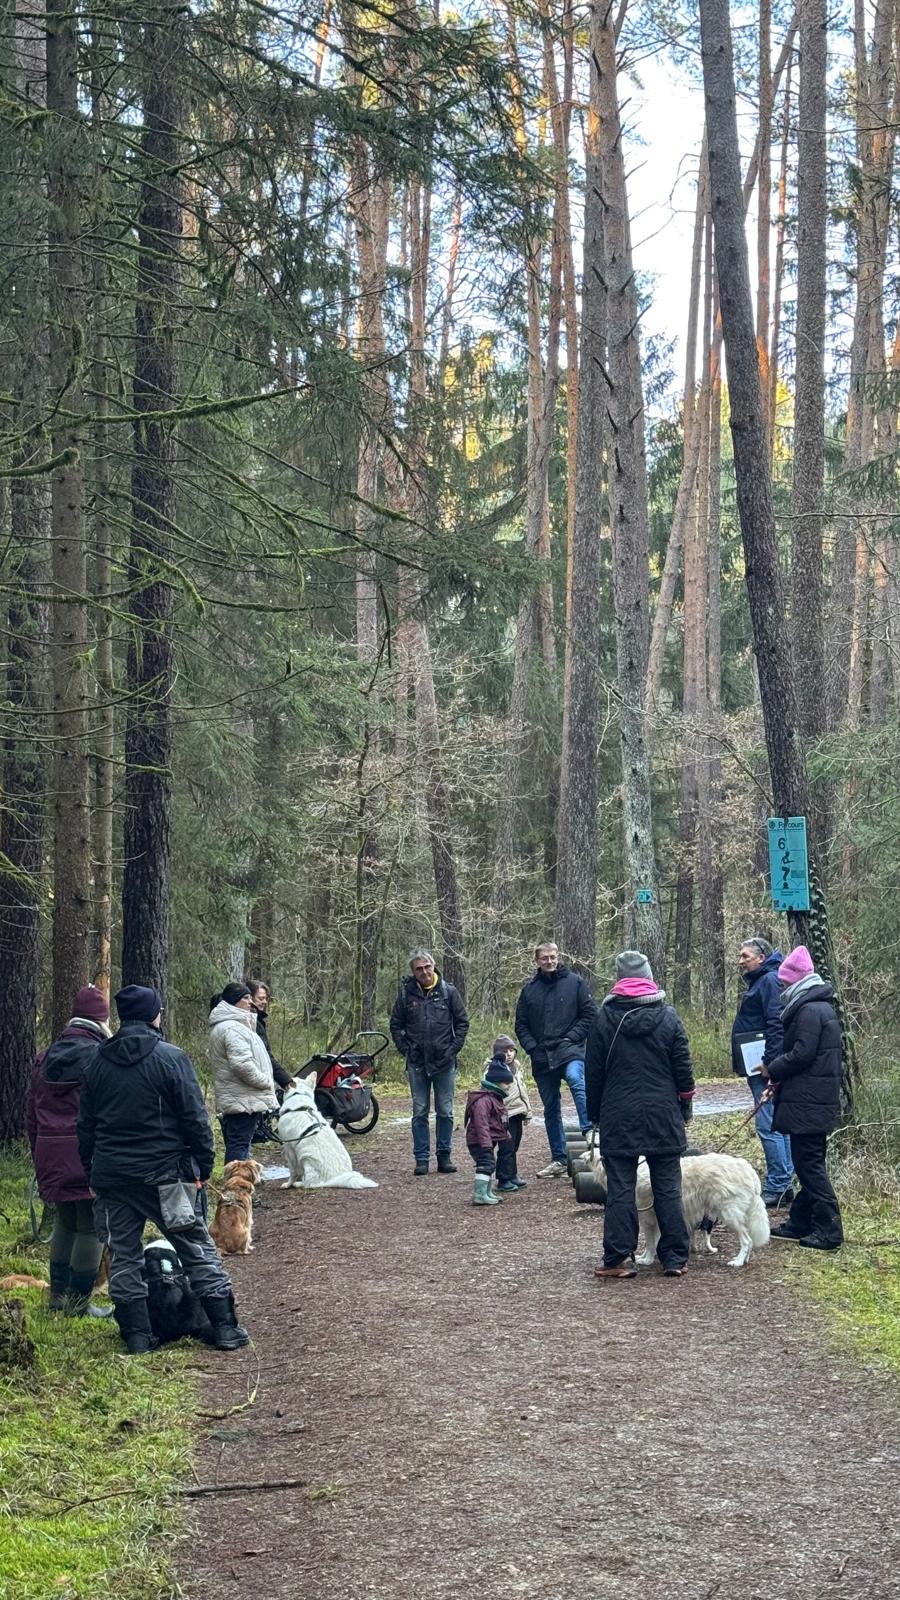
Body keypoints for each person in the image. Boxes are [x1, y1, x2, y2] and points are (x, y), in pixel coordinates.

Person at [78, 984, 250, 1354]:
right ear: (154, 1015)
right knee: (195, 1247)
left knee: (124, 1254)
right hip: (166, 1176)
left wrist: (92, 1170)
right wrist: (203, 1167)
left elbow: (86, 1126)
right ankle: (225, 1328)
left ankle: (138, 1336)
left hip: (114, 1178)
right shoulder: (171, 1058)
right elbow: (195, 1120)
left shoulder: (96, 1062)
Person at [585, 950, 695, 1279]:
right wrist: (684, 1105)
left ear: (619, 979)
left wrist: (595, 1116)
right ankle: (675, 1257)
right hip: (663, 1113)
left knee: (620, 1188)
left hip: (618, 1114)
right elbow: (684, 1070)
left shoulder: (604, 1019)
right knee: (668, 1186)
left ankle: (618, 1258)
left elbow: (593, 1073)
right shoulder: (669, 1016)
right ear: (648, 976)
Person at [25, 985, 112, 1317]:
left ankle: (57, 1298)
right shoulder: (101, 1056)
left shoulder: (45, 1057)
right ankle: (78, 1304)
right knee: (91, 1225)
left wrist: (39, 1155)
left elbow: (31, 1115)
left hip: (49, 1153)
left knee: (65, 1222)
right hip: (86, 1152)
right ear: (101, 1019)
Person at [762, 946, 844, 1251]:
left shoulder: (810, 1010)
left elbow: (802, 1053)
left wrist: (774, 1068)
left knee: (809, 1165)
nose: (781, 987)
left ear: (796, 981)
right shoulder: (818, 1007)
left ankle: (830, 1231)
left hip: (809, 1102)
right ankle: (801, 1222)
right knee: (808, 1162)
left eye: (784, 982)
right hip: (811, 1100)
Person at [514, 941, 597, 1177]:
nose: (549, 961)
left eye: (553, 957)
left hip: (570, 1049)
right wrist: (532, 1048)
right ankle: (559, 1159)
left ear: (558, 957)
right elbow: (521, 1025)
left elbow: (590, 1014)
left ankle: (589, 1130)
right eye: (545, 958)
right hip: (542, 1057)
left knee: (576, 1080)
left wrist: (572, 1038)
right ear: (537, 961)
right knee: (551, 1109)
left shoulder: (575, 982)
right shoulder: (529, 990)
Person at [390, 949, 469, 1176]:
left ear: (433, 966)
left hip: (444, 1061)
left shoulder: (448, 992)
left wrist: (453, 1049)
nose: (424, 972)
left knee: (445, 1111)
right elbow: (395, 1025)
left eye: (427, 966)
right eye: (419, 968)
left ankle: (444, 1156)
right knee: (420, 1111)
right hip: (417, 1062)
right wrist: (405, 1048)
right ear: (413, 971)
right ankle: (421, 1159)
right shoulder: (406, 995)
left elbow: (462, 1022)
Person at [732, 936, 795, 1207]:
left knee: (767, 1125)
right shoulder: (763, 980)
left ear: (761, 957)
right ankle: (785, 1181)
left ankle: (779, 1183)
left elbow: (775, 1024)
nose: (741, 961)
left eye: (745, 956)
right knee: (776, 1124)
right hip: (759, 1064)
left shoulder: (768, 981)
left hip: (764, 1067)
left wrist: (770, 1063)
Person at [208, 982, 278, 1164]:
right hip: (241, 1098)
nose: (250, 1002)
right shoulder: (232, 1028)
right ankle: (236, 1189)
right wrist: (266, 1082)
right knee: (239, 1146)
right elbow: (242, 1064)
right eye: (245, 998)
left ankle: (241, 1187)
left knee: (240, 1144)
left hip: (241, 1097)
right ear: (234, 1001)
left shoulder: (232, 1025)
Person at [247, 980, 292, 1144]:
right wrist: (285, 1080)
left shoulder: (258, 1021)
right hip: (251, 1087)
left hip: (256, 1085)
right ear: (250, 998)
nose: (264, 1002)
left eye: (265, 998)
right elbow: (265, 1056)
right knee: (243, 1139)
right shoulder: (251, 1024)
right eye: (260, 998)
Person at [464, 1057, 514, 1206]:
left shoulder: (495, 1098)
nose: (509, 1086)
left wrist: (505, 1134)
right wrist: (485, 1143)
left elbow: (499, 1121)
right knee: (485, 1164)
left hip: (486, 1141)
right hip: (479, 1141)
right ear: (496, 1082)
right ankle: (479, 1194)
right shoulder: (484, 1100)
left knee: (489, 1164)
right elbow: (481, 1124)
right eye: (506, 1083)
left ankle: (487, 1192)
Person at [489, 1034, 531, 1193]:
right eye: (505, 1052)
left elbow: (523, 1090)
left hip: (518, 1111)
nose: (509, 1054)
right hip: (503, 1113)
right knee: (506, 1146)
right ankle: (503, 1178)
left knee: (514, 1144)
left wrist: (527, 1111)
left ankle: (512, 1174)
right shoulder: (493, 1067)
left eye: (511, 1051)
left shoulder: (518, 1066)